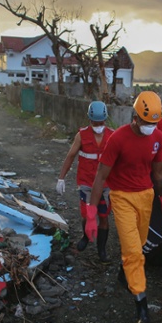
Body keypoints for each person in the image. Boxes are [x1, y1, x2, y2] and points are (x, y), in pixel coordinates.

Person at [85, 91, 162, 323]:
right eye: (145, 122)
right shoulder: (118, 139)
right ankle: (141, 306)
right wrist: (91, 213)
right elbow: (101, 176)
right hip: (122, 197)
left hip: (146, 196)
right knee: (134, 252)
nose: (149, 127)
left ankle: (124, 273)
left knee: (140, 245)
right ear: (135, 116)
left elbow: (157, 173)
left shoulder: (158, 138)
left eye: (153, 123)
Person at [56, 101, 114, 263]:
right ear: (89, 120)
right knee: (85, 215)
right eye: (95, 123)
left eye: (101, 122)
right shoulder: (81, 135)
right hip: (86, 184)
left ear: (105, 120)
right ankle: (86, 236)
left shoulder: (112, 135)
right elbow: (70, 156)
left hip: (106, 186)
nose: (98, 126)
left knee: (103, 216)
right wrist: (61, 178)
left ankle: (101, 249)